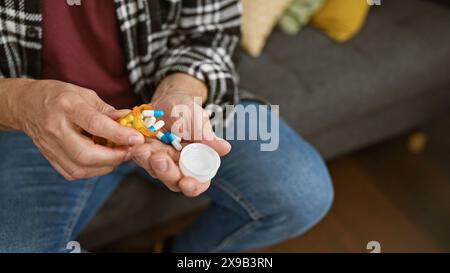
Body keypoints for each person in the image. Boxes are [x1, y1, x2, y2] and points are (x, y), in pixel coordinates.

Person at [0, 0, 333, 252]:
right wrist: (19, 102)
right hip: (34, 122)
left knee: (303, 194)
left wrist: (182, 91)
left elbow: (212, 33)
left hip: (169, 102)